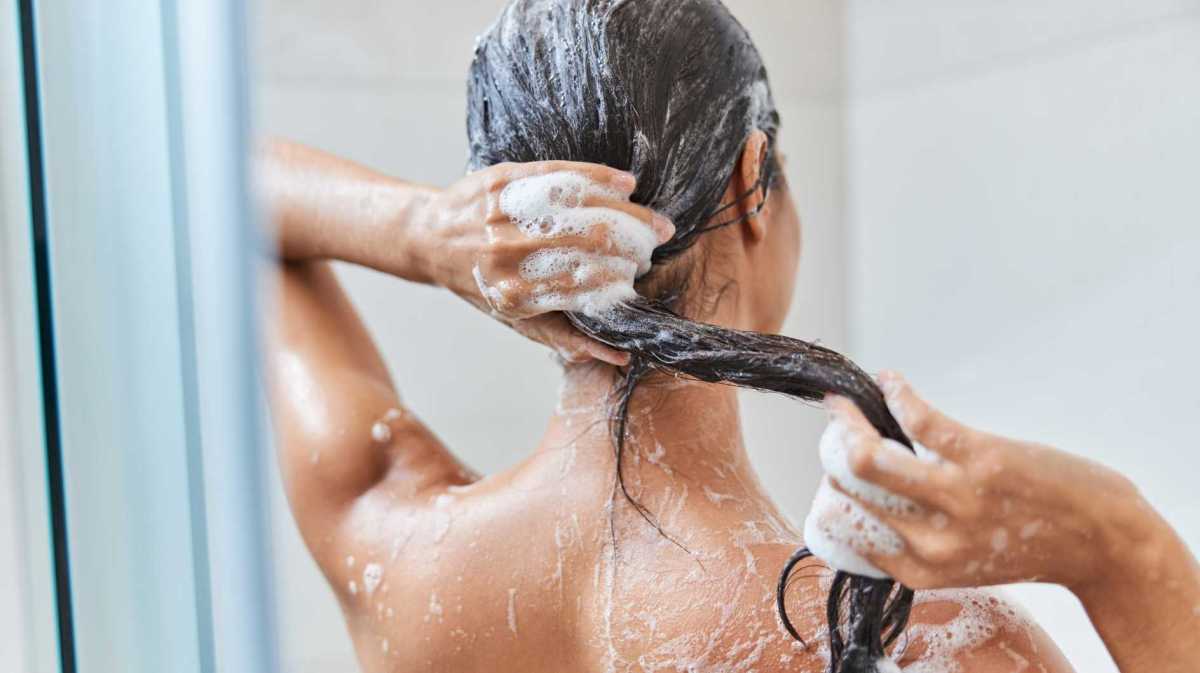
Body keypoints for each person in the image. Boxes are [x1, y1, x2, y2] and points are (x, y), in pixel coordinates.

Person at [259, 1, 1197, 672]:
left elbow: (224, 185)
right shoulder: (934, 648)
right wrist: (1118, 545)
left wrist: (421, 232)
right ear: (755, 180)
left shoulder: (394, 545)